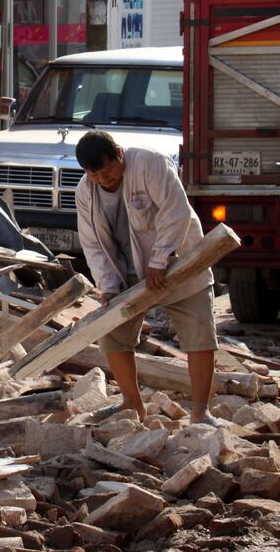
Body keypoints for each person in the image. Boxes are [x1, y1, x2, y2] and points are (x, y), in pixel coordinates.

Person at [75, 130, 218, 425]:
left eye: (108, 171)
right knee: (112, 333)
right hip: (126, 271)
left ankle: (201, 412)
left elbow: (175, 211)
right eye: (96, 175)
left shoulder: (150, 163)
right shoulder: (84, 191)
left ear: (119, 153)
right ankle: (132, 404)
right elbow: (92, 244)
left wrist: (160, 258)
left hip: (178, 263)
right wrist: (108, 287)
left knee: (199, 331)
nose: (104, 179)